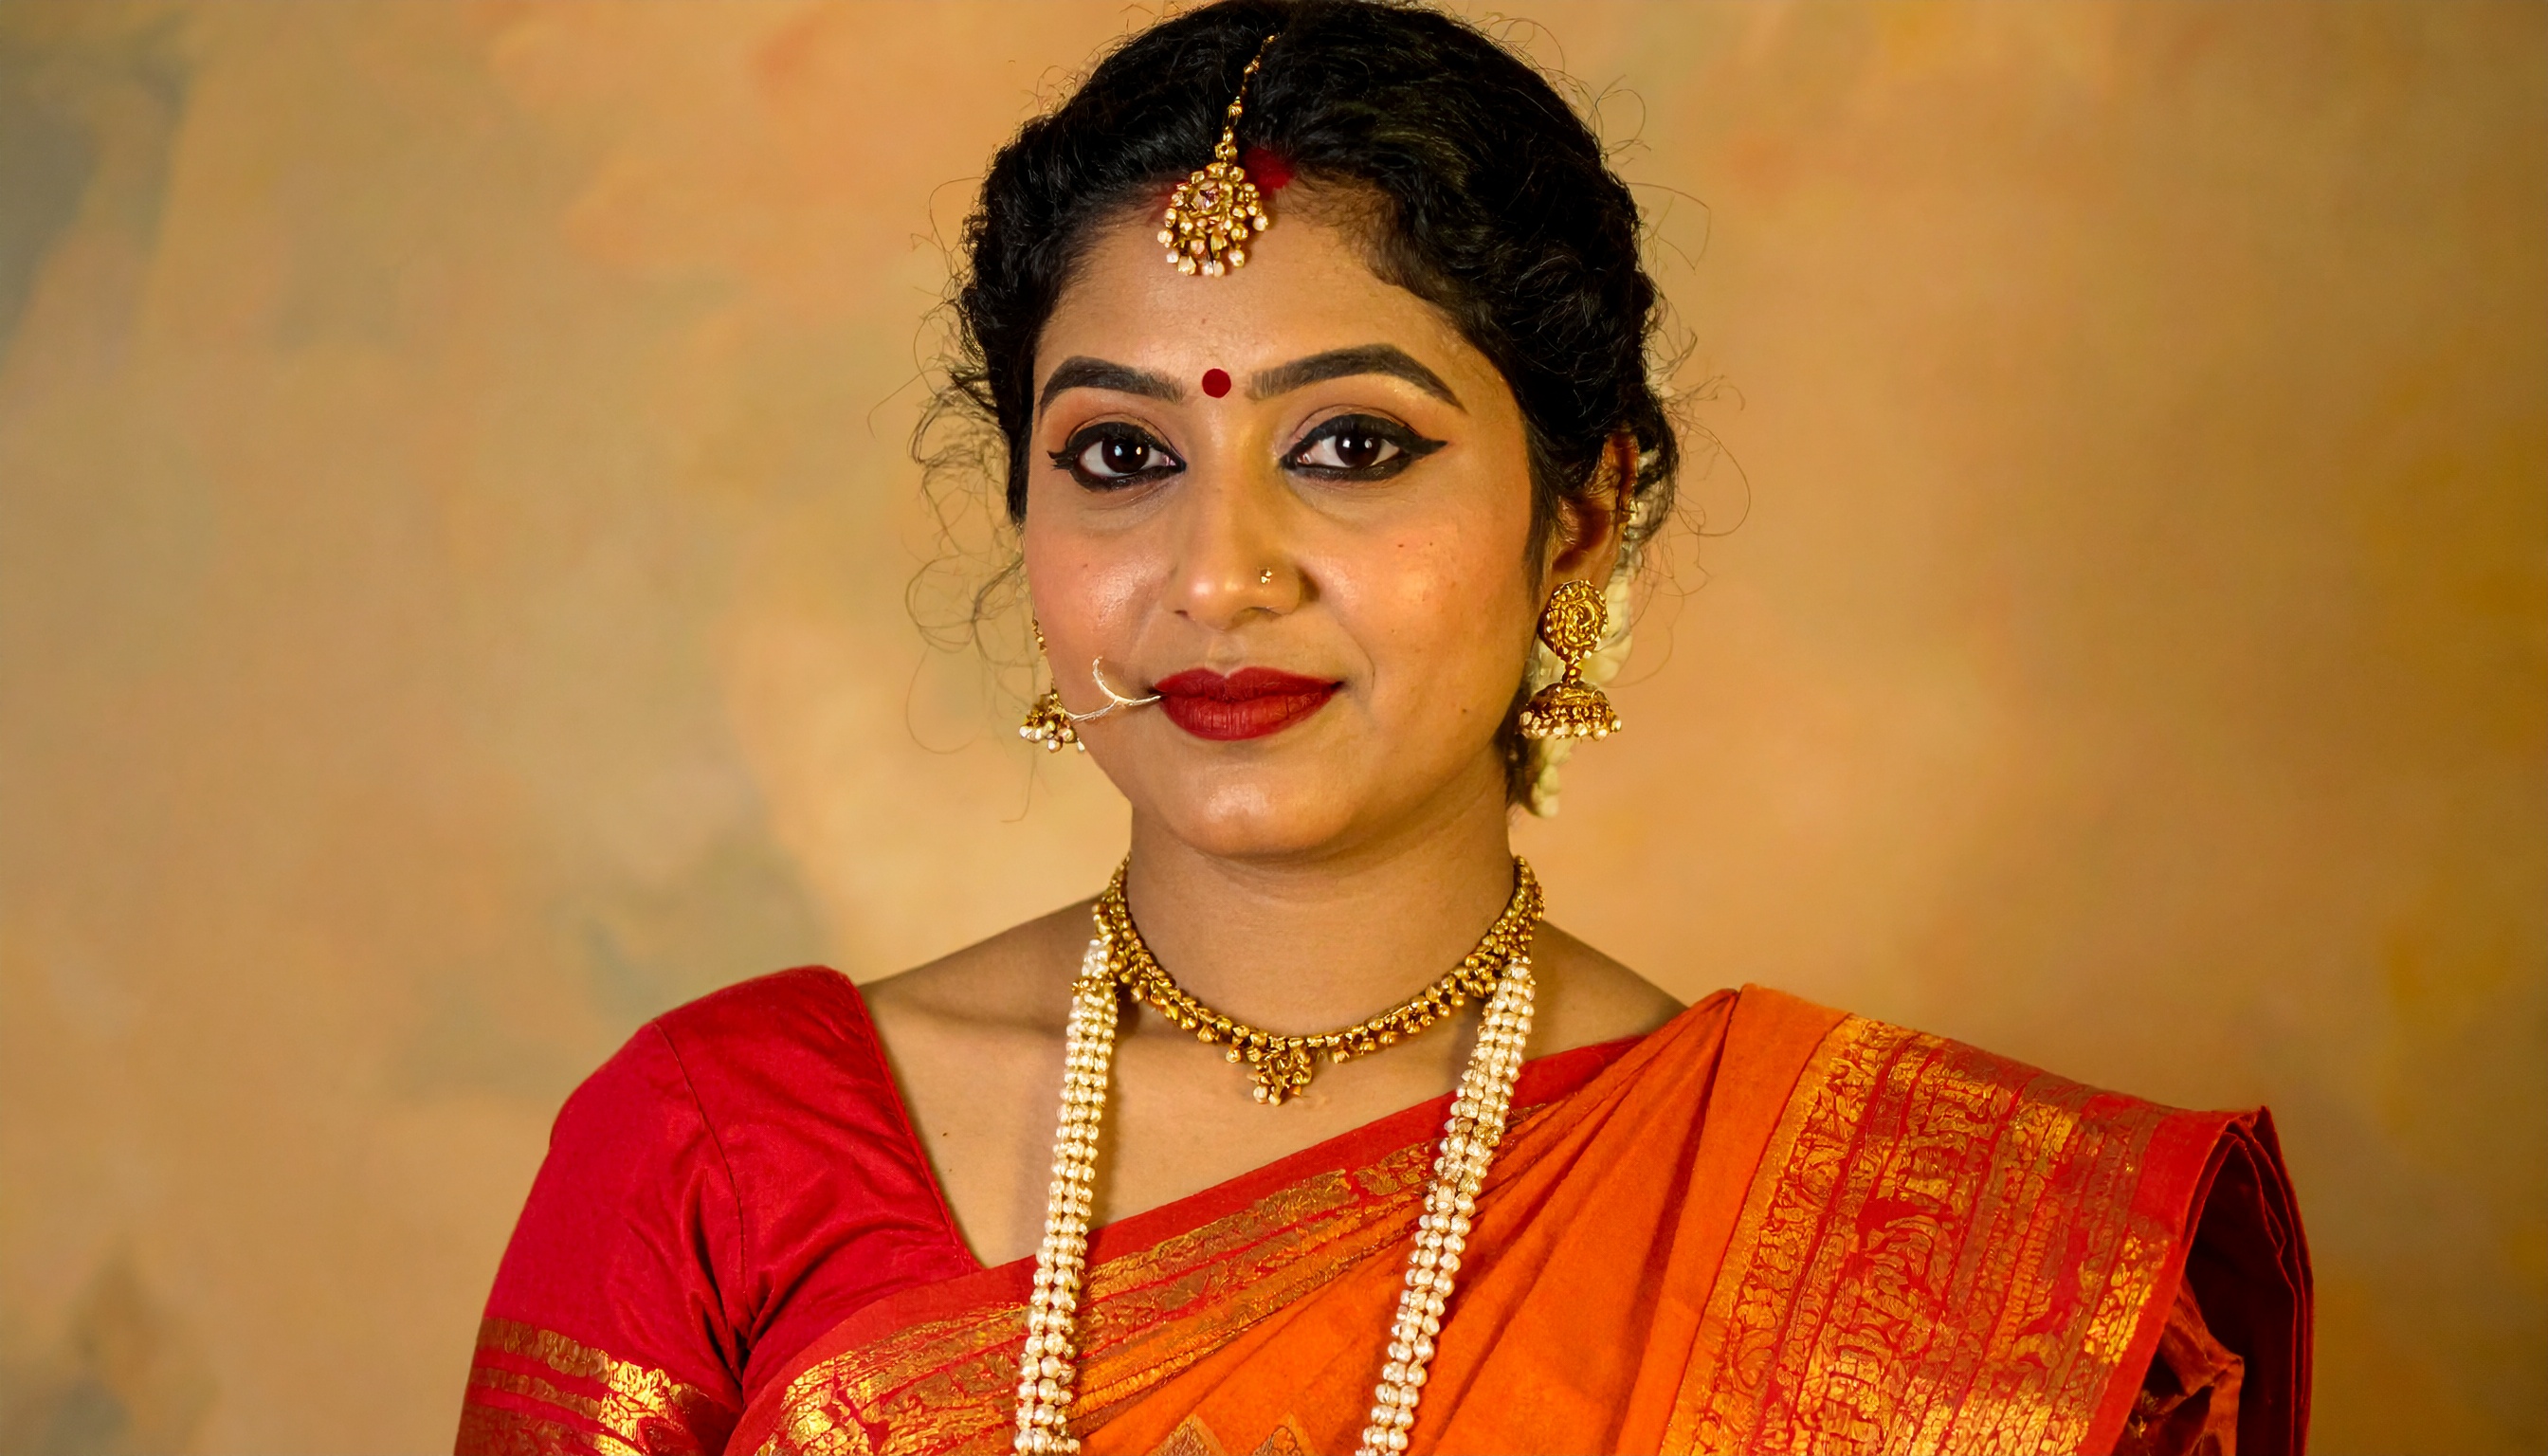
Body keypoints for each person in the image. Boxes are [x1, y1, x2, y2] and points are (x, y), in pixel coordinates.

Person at [454, 3, 2309, 1453]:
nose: (1217, 572)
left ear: (1574, 517)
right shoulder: (714, 1156)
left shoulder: (1872, 1251)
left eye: (1351, 447)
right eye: (1119, 457)